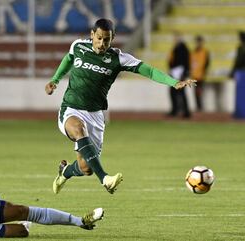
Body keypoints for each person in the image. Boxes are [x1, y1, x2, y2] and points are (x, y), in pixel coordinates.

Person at [45, 19, 196, 195]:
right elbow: (68, 59)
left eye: (106, 40)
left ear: (112, 38)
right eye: (99, 38)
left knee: (86, 168)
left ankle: (65, 172)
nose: (102, 43)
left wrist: (174, 82)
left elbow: (149, 71)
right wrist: (54, 80)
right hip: (71, 109)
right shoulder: (78, 46)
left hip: (95, 116)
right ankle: (105, 179)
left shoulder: (118, 58)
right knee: (78, 128)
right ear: (92, 35)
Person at [167, 31, 192, 118]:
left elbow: (185, 62)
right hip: (176, 72)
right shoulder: (177, 47)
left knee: (179, 92)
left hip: (180, 73)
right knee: (176, 92)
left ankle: (183, 111)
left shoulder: (183, 48)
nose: (175, 39)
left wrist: (185, 72)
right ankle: (179, 110)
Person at [190, 35, 210, 112]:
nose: (198, 43)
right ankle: (198, 107)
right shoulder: (193, 52)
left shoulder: (205, 52)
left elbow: (207, 63)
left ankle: (200, 107)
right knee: (196, 92)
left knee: (199, 91)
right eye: (197, 41)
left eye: (199, 41)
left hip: (201, 75)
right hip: (194, 75)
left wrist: (204, 71)